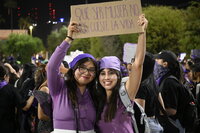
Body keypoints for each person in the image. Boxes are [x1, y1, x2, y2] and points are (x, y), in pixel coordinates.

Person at [95, 14, 148, 133]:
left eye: (111, 73)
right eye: (103, 73)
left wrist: (142, 32)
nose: (107, 77)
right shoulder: (95, 99)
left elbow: (137, 64)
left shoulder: (125, 95)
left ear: (119, 76)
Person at [47, 22, 98, 133]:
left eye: (92, 69)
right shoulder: (59, 88)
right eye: (82, 68)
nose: (86, 72)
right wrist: (68, 39)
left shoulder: (96, 92)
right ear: (73, 69)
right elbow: (51, 67)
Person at [154, 50, 185, 133]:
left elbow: (172, 110)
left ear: (165, 64)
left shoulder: (169, 82)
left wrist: (153, 110)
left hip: (175, 126)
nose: (155, 62)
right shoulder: (164, 80)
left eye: (157, 60)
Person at [0, 63, 34, 133]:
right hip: (7, 127)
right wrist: (34, 93)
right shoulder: (11, 90)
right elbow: (25, 107)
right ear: (5, 76)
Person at [135, 52, 164, 133]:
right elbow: (162, 109)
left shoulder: (141, 85)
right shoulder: (153, 81)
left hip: (147, 126)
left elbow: (139, 115)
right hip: (156, 123)